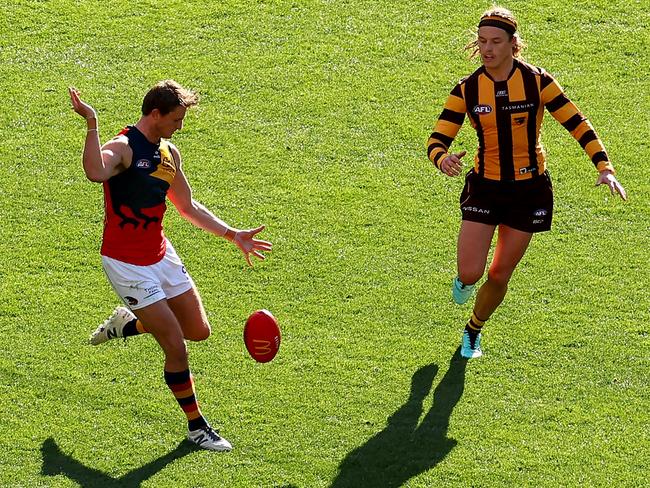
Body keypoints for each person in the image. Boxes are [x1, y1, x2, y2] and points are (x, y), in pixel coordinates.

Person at [68, 80, 272, 450]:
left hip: (160, 254)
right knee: (176, 347)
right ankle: (197, 428)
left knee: (198, 330)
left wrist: (233, 234)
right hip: (126, 264)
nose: (180, 126)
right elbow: (96, 172)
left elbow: (187, 207)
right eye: (176, 119)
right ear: (155, 114)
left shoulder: (168, 154)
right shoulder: (124, 147)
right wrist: (92, 123)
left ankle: (128, 324)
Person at [426, 7, 626, 359]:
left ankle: (473, 329)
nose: (487, 49)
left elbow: (577, 123)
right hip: (485, 187)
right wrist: (443, 159)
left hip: (529, 190)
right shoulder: (468, 89)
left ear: (513, 44)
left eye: (495, 42)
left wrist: (604, 167)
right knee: (471, 273)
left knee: (500, 273)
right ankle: (465, 282)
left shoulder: (537, 81)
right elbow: (437, 139)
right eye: (482, 41)